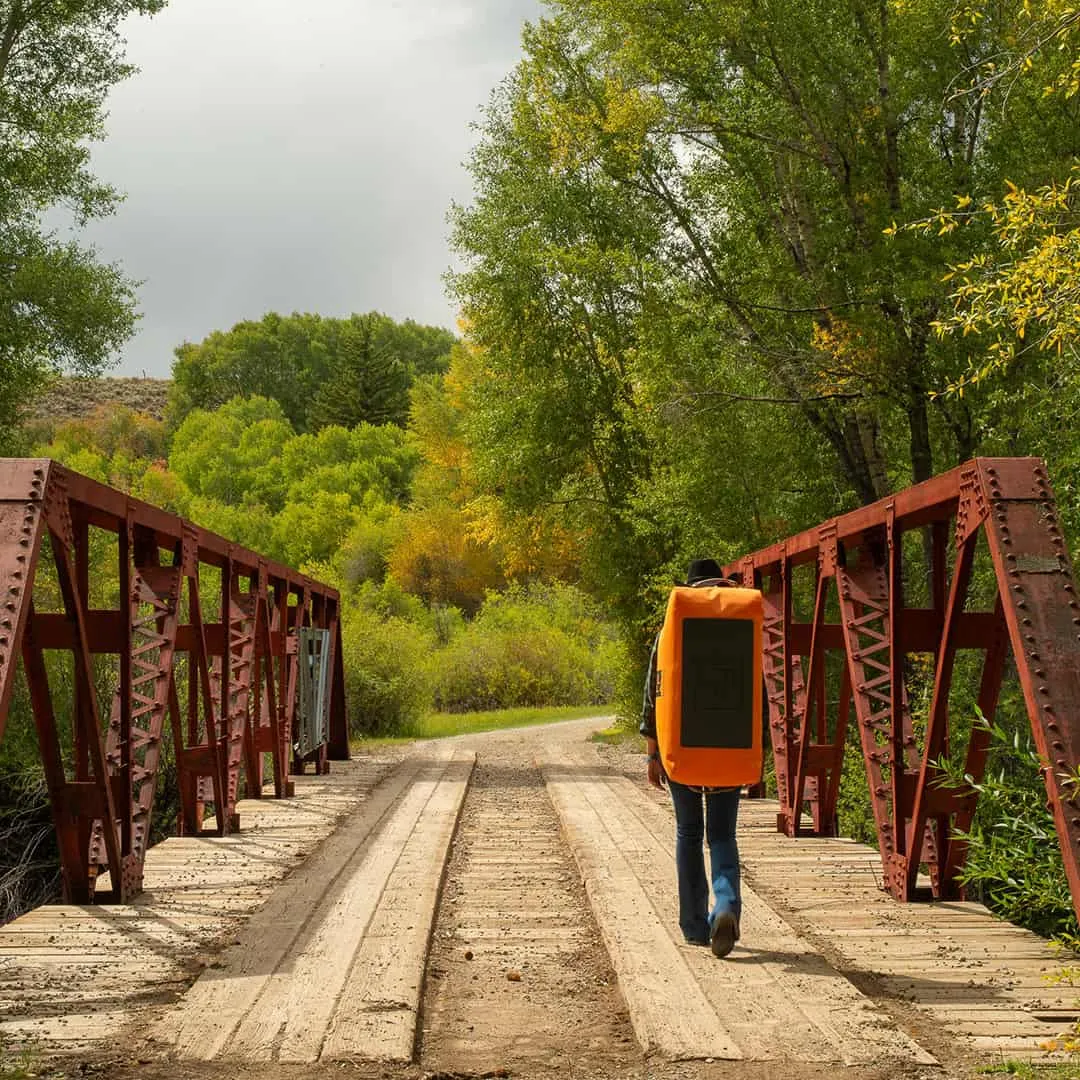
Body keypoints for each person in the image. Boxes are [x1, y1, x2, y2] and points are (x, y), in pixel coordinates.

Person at [641, 558, 742, 958]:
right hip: (730, 744)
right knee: (721, 835)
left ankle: (696, 927)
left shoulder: (671, 627)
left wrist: (652, 752)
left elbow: (655, 690)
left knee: (688, 833)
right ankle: (727, 905)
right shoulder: (740, 622)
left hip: (681, 747)